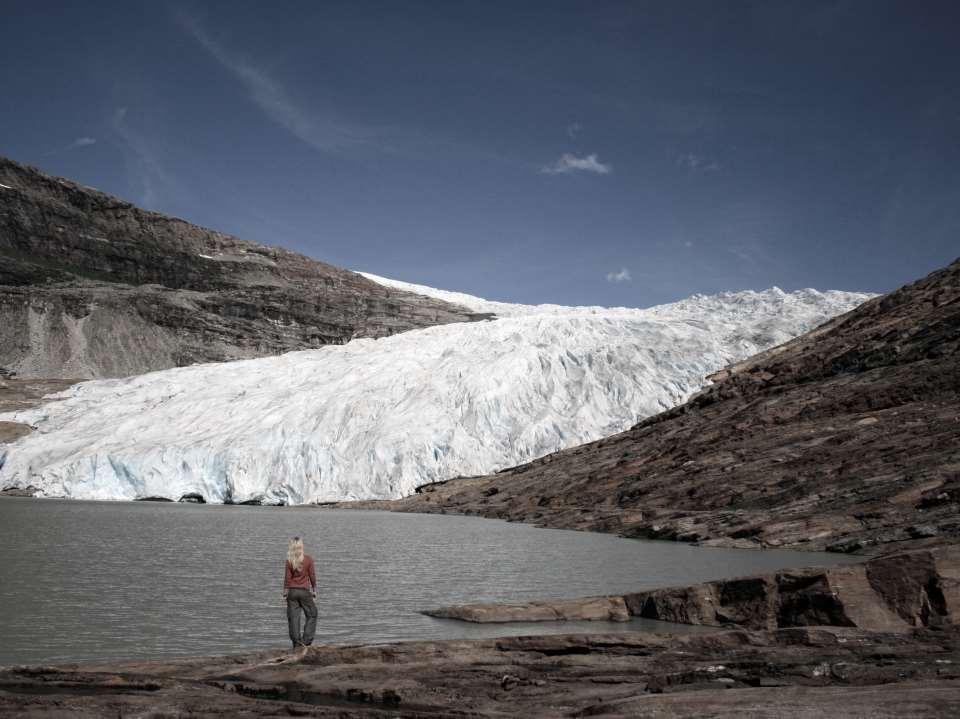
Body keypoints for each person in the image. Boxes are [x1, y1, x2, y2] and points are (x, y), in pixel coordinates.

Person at [282, 536, 318, 650]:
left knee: (293, 618)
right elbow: (312, 576)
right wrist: (314, 590)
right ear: (301, 546)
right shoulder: (308, 559)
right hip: (304, 592)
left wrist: (285, 592)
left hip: (292, 593)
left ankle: (296, 644)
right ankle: (305, 642)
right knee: (312, 614)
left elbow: (287, 578)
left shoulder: (289, 561)